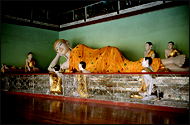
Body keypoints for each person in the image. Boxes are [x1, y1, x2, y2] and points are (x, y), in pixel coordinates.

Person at [48, 39, 188, 73]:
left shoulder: (78, 48)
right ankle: (171, 64)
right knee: (135, 67)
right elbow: (50, 69)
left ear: (67, 43)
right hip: (106, 66)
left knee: (133, 67)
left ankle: (170, 61)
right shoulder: (67, 64)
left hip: (107, 56)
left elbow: (91, 55)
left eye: (60, 44)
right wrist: (56, 56)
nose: (59, 48)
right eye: (57, 48)